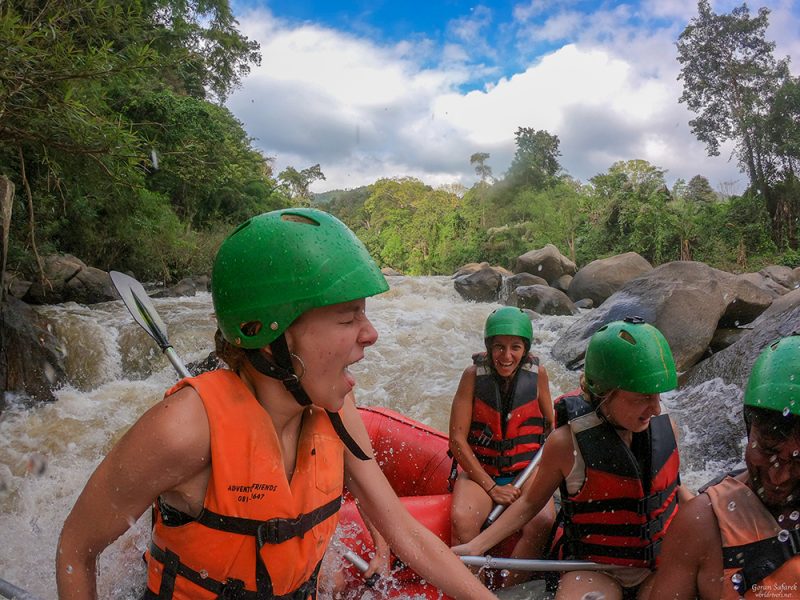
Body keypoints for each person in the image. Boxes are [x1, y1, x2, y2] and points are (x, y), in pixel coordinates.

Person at [56, 208, 496, 600]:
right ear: (272, 339)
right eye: (348, 318)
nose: (370, 334)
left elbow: (404, 533)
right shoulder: (184, 429)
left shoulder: (338, 411)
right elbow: (77, 547)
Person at [452, 317, 694, 600]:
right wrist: (478, 546)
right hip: (595, 567)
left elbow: (673, 491)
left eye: (657, 396)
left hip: (658, 565)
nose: (655, 409)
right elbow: (530, 503)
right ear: (605, 393)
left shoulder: (667, 429)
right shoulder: (567, 443)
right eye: (641, 398)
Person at [649, 334, 800, 599]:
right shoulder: (701, 523)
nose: (779, 477)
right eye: (767, 450)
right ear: (748, 430)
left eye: (798, 460)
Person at [448, 306, 556, 587]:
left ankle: (508, 590)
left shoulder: (538, 375)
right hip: (482, 470)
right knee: (462, 518)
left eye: (515, 347)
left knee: (542, 521)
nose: (506, 356)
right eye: (499, 347)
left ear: (526, 349)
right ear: (488, 347)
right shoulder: (472, 376)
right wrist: (492, 487)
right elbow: (457, 440)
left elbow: (551, 426)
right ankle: (475, 589)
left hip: (526, 470)